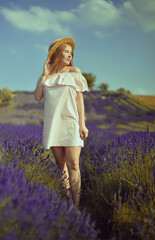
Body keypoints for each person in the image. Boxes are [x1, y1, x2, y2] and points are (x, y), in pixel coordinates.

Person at [34, 37, 89, 208]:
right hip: (53, 125)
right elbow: (37, 97)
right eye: (66, 51)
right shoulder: (47, 77)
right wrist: (44, 73)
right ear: (56, 53)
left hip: (71, 123)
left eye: (71, 52)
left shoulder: (75, 72)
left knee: (73, 164)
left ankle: (77, 206)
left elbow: (80, 100)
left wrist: (82, 124)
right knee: (61, 165)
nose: (69, 54)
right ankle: (68, 202)